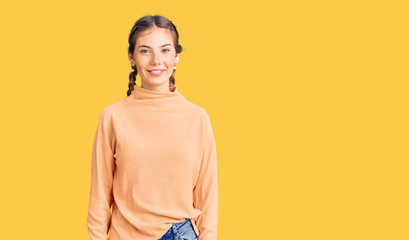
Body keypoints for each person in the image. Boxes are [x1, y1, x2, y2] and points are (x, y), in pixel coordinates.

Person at [87, 15, 219, 240]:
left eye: (165, 50)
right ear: (131, 57)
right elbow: (100, 191)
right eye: (145, 51)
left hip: (181, 233)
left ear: (176, 56)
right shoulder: (113, 117)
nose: (156, 60)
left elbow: (207, 196)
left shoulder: (198, 118)